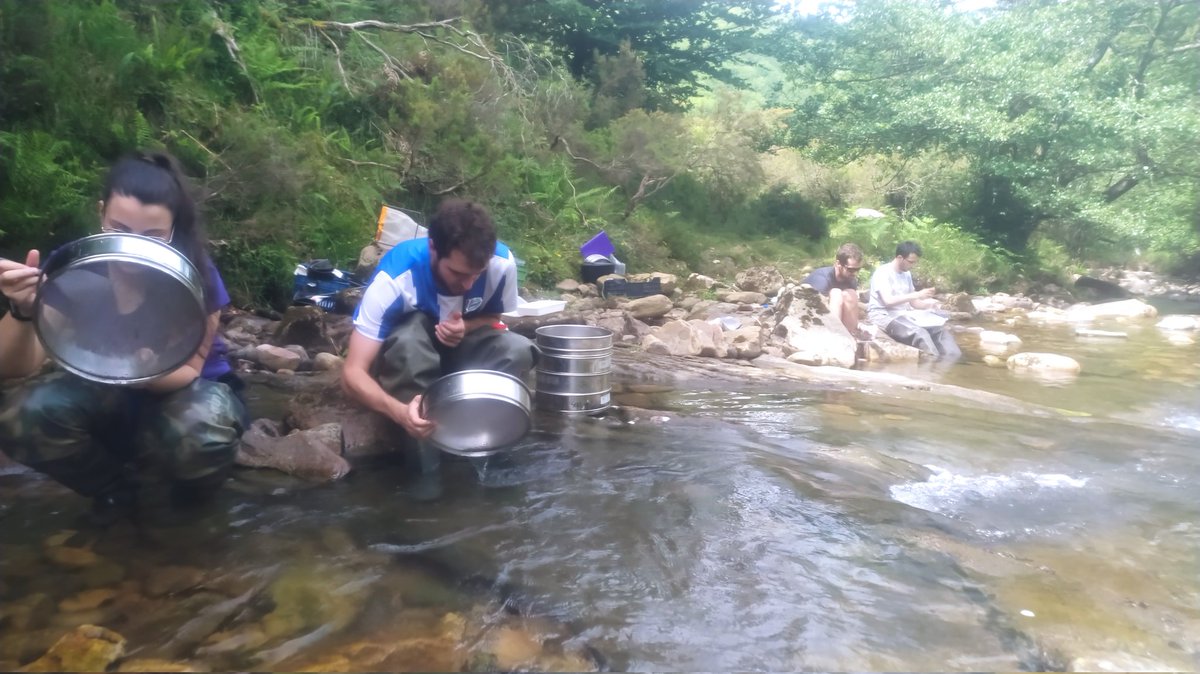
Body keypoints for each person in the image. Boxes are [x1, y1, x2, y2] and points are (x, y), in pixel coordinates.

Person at [0, 151, 246, 520]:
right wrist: (22, 309)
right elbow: (18, 365)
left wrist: (144, 368)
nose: (133, 249)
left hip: (182, 391)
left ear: (173, 229)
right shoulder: (75, 267)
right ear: (101, 213)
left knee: (201, 436)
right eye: (120, 229)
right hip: (103, 389)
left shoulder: (195, 274)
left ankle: (189, 503)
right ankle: (115, 489)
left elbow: (190, 370)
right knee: (21, 415)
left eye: (153, 235)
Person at [341, 198, 535, 465]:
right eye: (457, 273)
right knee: (409, 342)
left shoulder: (502, 265)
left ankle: (484, 449)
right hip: (408, 361)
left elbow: (493, 318)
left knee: (517, 348)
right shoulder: (394, 279)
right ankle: (426, 477)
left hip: (460, 359)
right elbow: (352, 373)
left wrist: (465, 327)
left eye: (476, 275)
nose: (468, 285)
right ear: (433, 247)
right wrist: (399, 413)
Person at [866, 240, 961, 359]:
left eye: (914, 262)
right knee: (920, 334)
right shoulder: (883, 273)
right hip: (882, 315)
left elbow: (914, 303)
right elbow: (888, 301)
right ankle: (932, 364)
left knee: (939, 331)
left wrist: (929, 306)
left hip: (903, 314)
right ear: (900, 258)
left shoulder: (907, 274)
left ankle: (954, 361)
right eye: (911, 262)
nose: (913, 265)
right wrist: (917, 294)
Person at [803, 242, 866, 338]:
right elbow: (813, 307)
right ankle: (833, 337)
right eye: (851, 269)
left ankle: (850, 336)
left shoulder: (851, 280)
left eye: (858, 269)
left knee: (851, 294)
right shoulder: (821, 279)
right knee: (836, 294)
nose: (855, 273)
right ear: (838, 264)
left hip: (830, 319)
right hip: (807, 317)